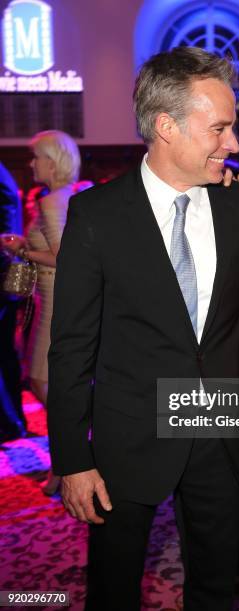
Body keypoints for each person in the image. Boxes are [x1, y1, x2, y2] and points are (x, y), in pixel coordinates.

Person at [47, 46, 239, 611]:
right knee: (113, 591)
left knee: (217, 588)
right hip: (127, 439)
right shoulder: (97, 216)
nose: (234, 143)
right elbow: (71, 349)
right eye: (219, 128)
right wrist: (72, 458)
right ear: (166, 127)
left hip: (220, 433)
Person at [1, 130, 81, 494]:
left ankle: (73, 458)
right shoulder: (58, 198)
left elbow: (67, 258)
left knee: (45, 383)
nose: (30, 164)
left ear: (53, 161)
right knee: (45, 383)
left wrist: (22, 251)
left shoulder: (53, 203)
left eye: (36, 157)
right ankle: (67, 461)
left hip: (57, 301)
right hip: (50, 298)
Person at [0, 162, 26, 443]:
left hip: (4, 275)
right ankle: (11, 421)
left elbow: (8, 238)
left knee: (5, 354)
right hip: (8, 276)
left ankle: (9, 422)